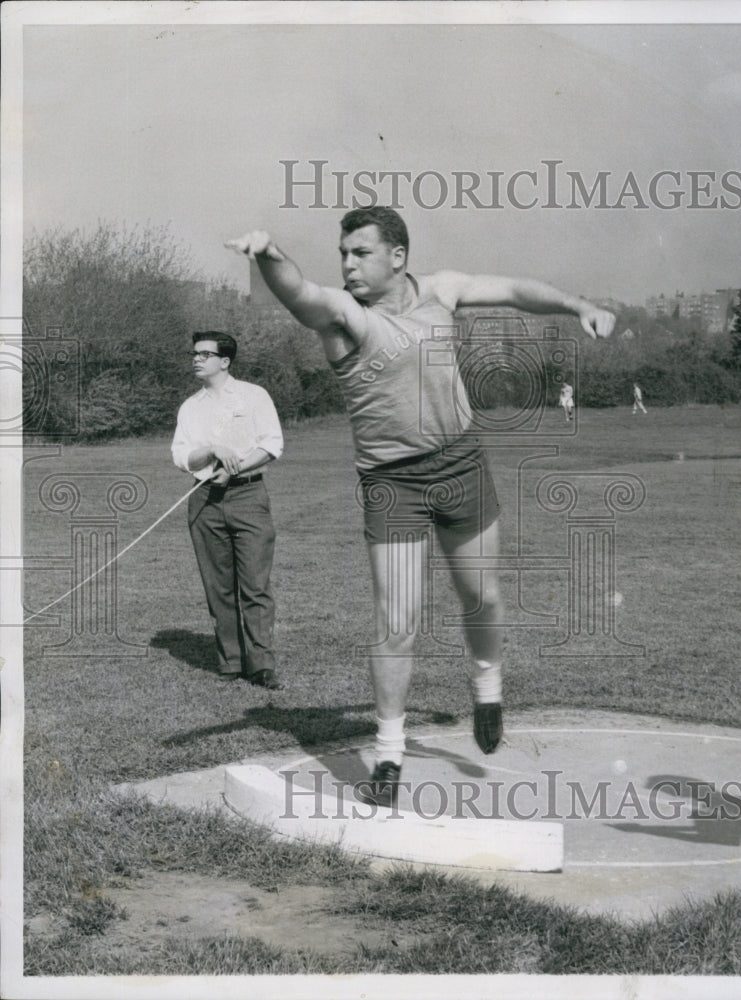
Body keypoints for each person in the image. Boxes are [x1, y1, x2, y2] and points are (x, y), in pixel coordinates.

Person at [226, 208, 614, 805]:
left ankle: (487, 684)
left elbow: (513, 289)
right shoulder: (345, 317)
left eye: (361, 253)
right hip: (392, 483)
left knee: (480, 597)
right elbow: (301, 293)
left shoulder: (441, 290)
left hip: (462, 465)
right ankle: (388, 752)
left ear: (398, 256)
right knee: (397, 620)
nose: (349, 265)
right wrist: (269, 252)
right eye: (343, 254)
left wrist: (578, 306)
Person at [171, 331, 284, 688]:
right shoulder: (191, 406)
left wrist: (238, 467)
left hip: (248, 497)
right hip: (204, 501)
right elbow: (182, 456)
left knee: (254, 584)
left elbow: (272, 444)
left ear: (225, 361)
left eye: (205, 354)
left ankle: (261, 663)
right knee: (217, 586)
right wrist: (213, 449)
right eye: (195, 353)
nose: (197, 359)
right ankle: (231, 661)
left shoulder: (254, 396)